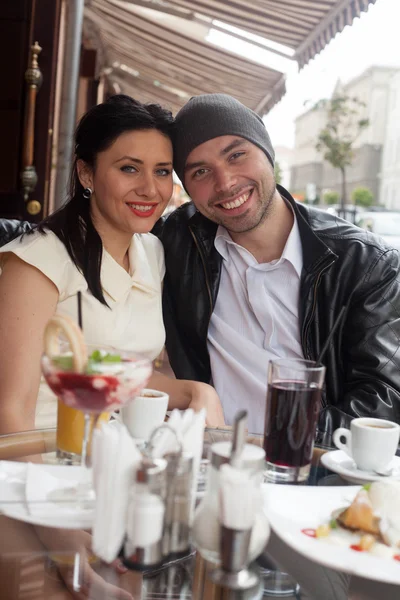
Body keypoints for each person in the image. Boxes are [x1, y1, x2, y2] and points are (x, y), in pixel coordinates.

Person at [156, 93, 400, 445]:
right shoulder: (177, 242)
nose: (225, 183)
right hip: (209, 465)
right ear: (187, 187)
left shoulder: (365, 264)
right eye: (201, 171)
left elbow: (385, 399)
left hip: (316, 472)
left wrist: (288, 444)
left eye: (236, 155)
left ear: (266, 152)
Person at [0, 94, 224, 435]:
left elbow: (118, 372)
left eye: (161, 171)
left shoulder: (153, 252)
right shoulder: (37, 261)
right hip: (46, 460)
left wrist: (197, 391)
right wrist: (46, 486)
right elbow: (9, 412)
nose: (150, 189)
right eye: (129, 168)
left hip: (117, 454)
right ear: (87, 173)